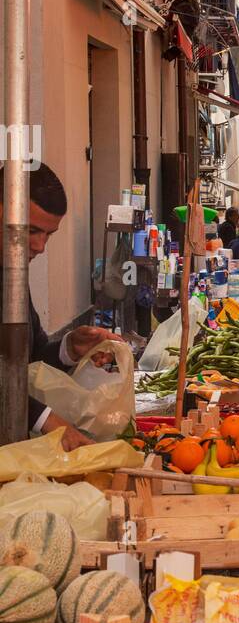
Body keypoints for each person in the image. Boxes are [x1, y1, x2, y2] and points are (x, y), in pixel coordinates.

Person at [0, 163, 124, 448]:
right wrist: (47, 420)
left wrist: (70, 349)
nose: (40, 246)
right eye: (31, 231)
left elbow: (28, 359)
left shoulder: (13, 276)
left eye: (48, 235)